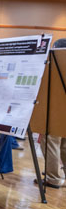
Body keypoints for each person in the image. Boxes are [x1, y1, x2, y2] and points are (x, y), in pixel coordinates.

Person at [37, 37, 66, 188]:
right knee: (64, 144)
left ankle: (52, 177)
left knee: (50, 142)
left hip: (55, 109)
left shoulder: (56, 64)